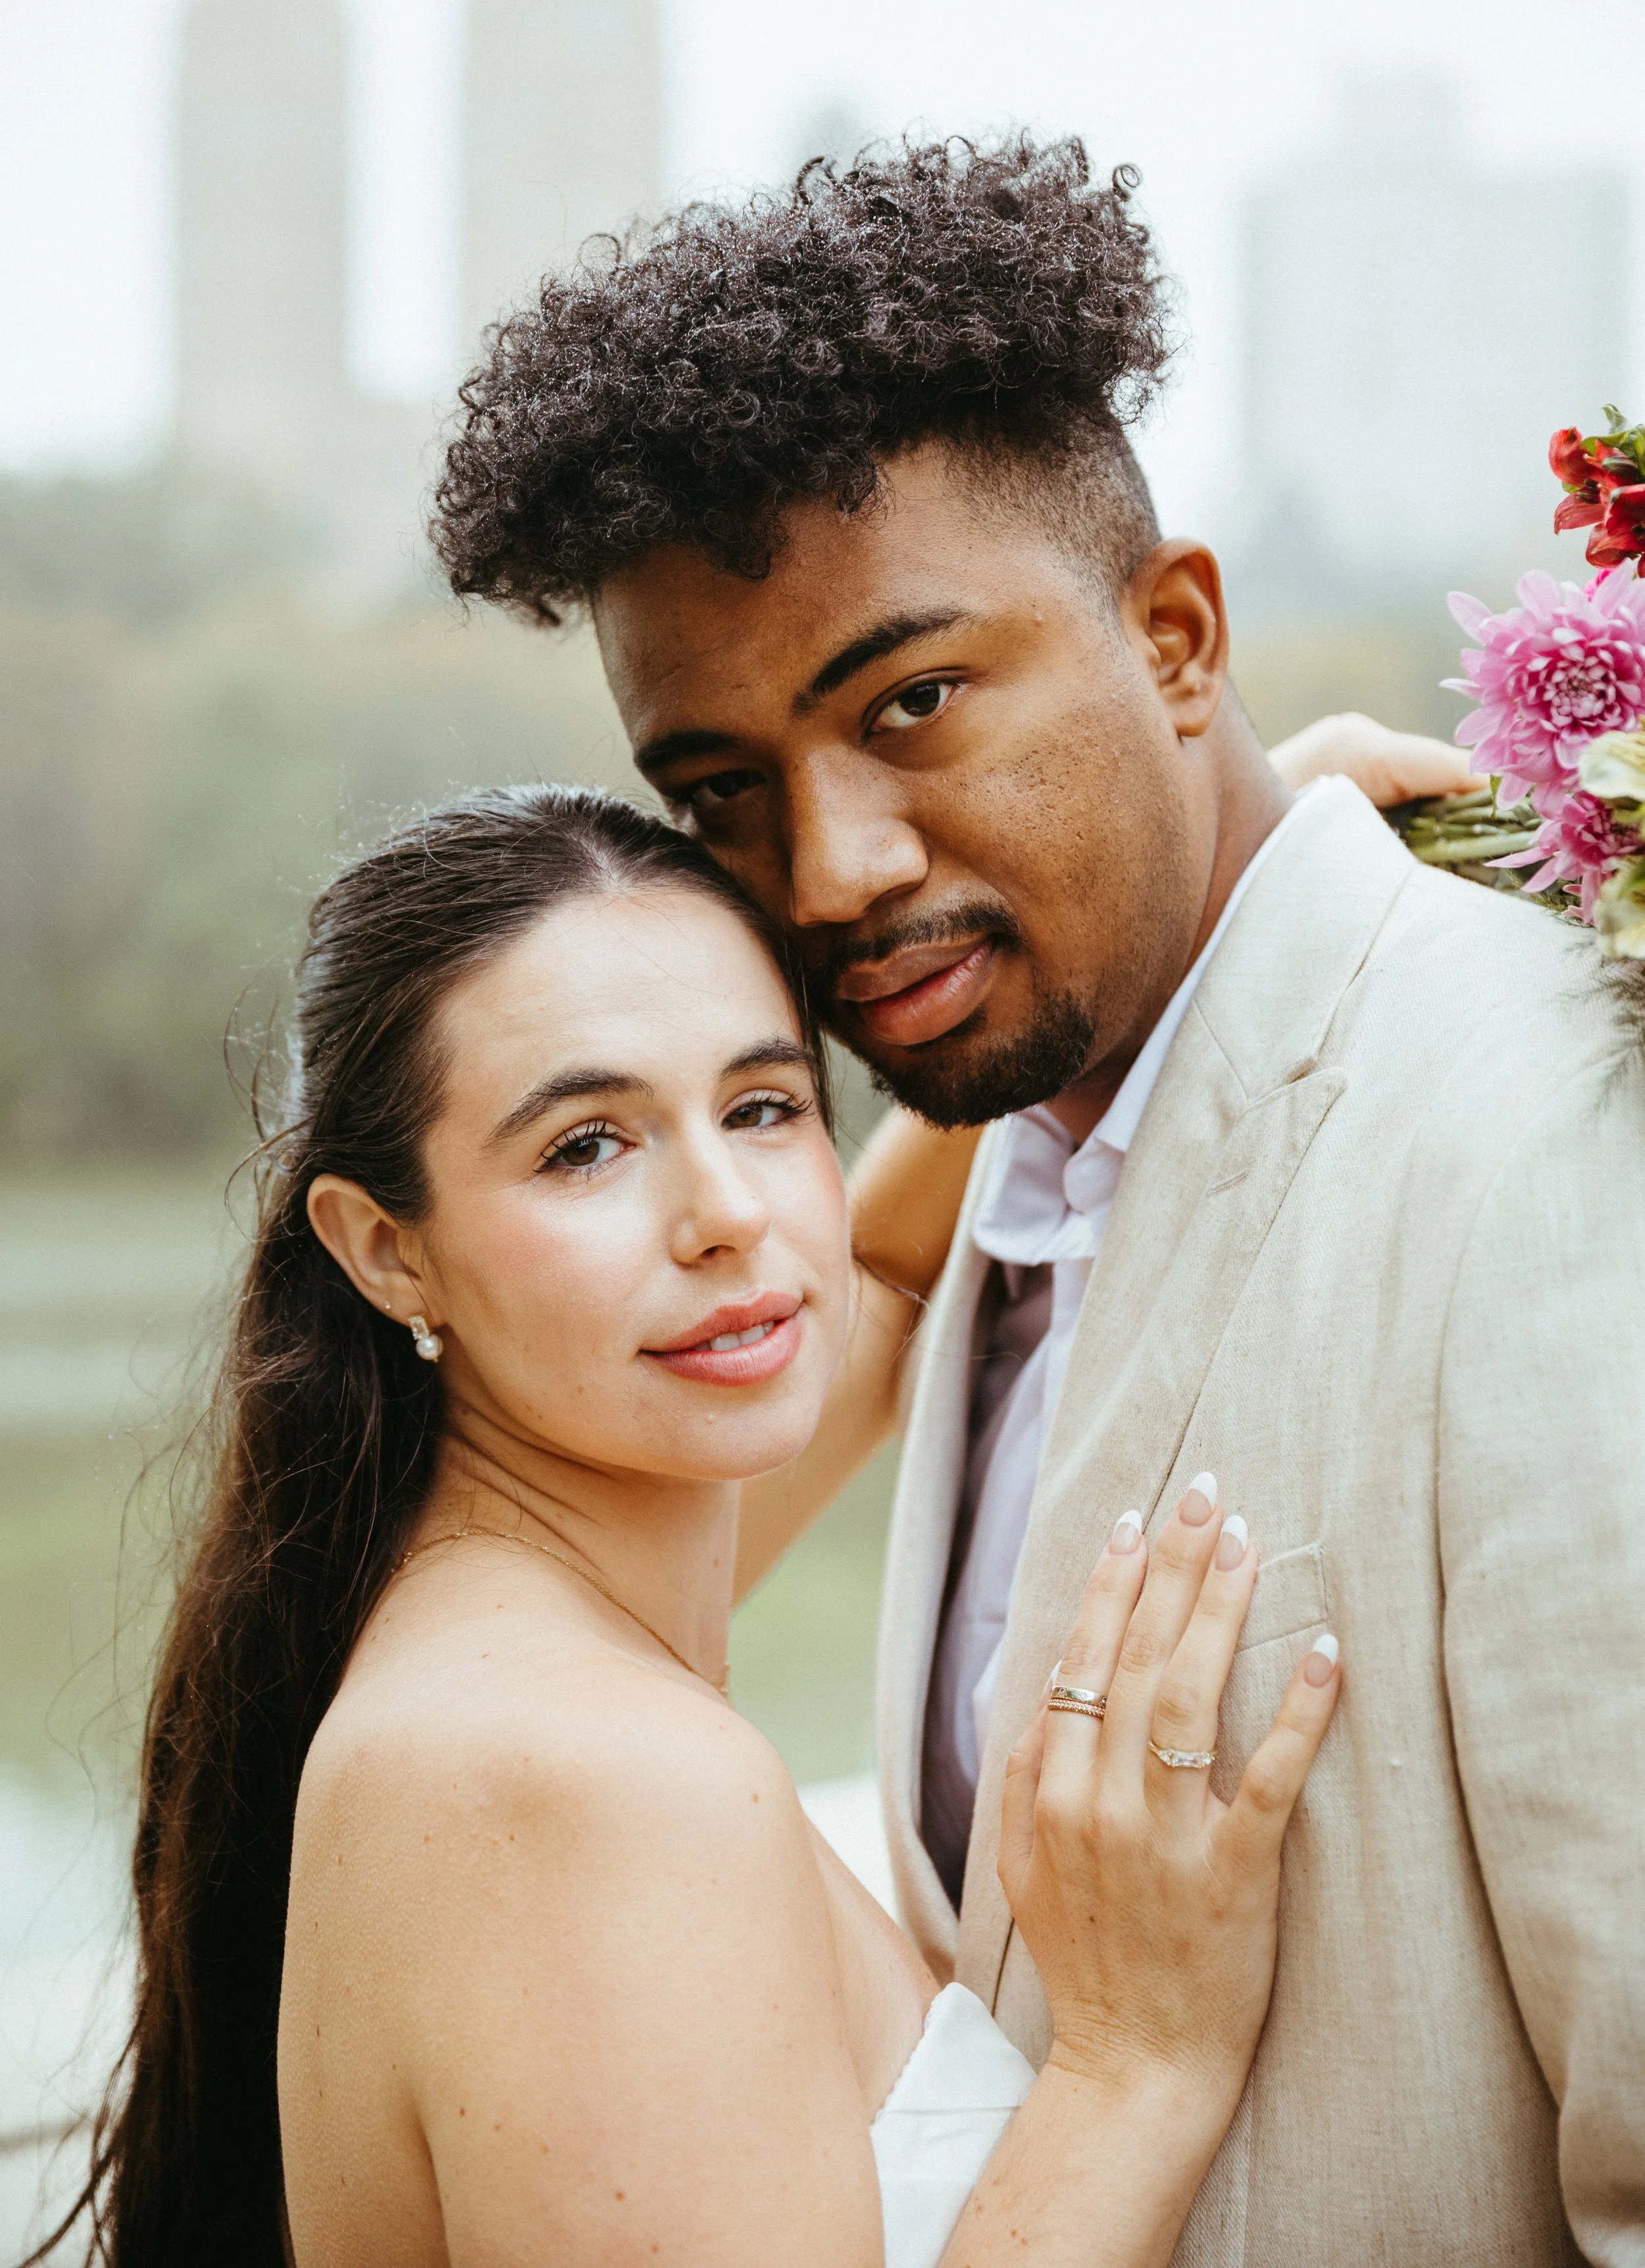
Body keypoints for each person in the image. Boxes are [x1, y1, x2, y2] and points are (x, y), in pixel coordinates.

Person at [432, 136, 1645, 2265]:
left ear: (1179, 639)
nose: (827, 874)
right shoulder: (1000, 1181)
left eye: (914, 705)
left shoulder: (1552, 1137)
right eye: (719, 794)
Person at [45, 785, 1342, 2268]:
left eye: (763, 1105)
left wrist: (1239, 852)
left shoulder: (499, 1597)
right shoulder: (583, 1781)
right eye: (585, 1146)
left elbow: (876, 1258)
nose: (729, 1213)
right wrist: (1133, 2069)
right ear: (387, 1253)